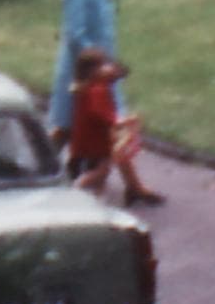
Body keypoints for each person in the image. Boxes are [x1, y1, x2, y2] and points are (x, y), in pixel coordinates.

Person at [49, 0, 161, 203]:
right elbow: (77, 34)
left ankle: (133, 186)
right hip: (84, 71)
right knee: (67, 126)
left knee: (111, 126)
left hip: (102, 67)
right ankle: (40, 172)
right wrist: (98, 66)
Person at [65, 50, 154, 205]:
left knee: (101, 172)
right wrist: (124, 121)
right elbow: (102, 114)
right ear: (93, 71)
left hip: (90, 138)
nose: (110, 67)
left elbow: (116, 77)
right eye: (105, 65)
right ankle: (75, 191)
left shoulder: (93, 86)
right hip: (95, 140)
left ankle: (97, 201)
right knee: (100, 171)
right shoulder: (97, 91)